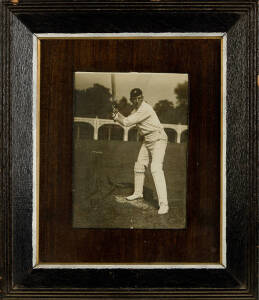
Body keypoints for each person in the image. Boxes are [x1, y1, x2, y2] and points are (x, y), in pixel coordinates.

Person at [112, 88, 169, 215]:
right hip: (147, 140)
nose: (138, 100)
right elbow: (127, 119)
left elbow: (126, 122)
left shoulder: (145, 108)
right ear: (132, 99)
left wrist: (116, 116)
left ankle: (164, 205)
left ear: (142, 97)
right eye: (135, 99)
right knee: (139, 165)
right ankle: (138, 193)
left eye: (139, 98)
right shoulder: (135, 110)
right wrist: (117, 114)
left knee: (155, 168)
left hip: (158, 139)